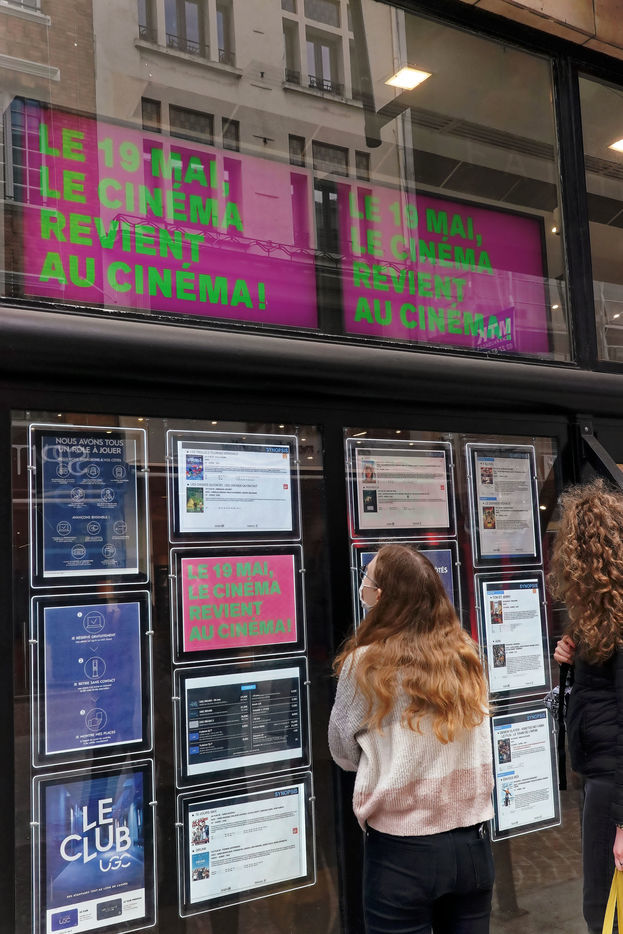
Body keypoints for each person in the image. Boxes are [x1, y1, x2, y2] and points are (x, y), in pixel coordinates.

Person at [329, 544, 495, 934]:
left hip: (402, 852)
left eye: (368, 578)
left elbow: (342, 751)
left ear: (382, 597)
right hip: (472, 846)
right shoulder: (466, 656)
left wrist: (385, 756)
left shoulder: (364, 664)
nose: (363, 586)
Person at [550, 479, 623, 934]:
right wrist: (572, 660)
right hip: (605, 780)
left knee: (604, 912)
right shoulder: (603, 616)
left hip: (612, 786)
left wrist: (622, 824)